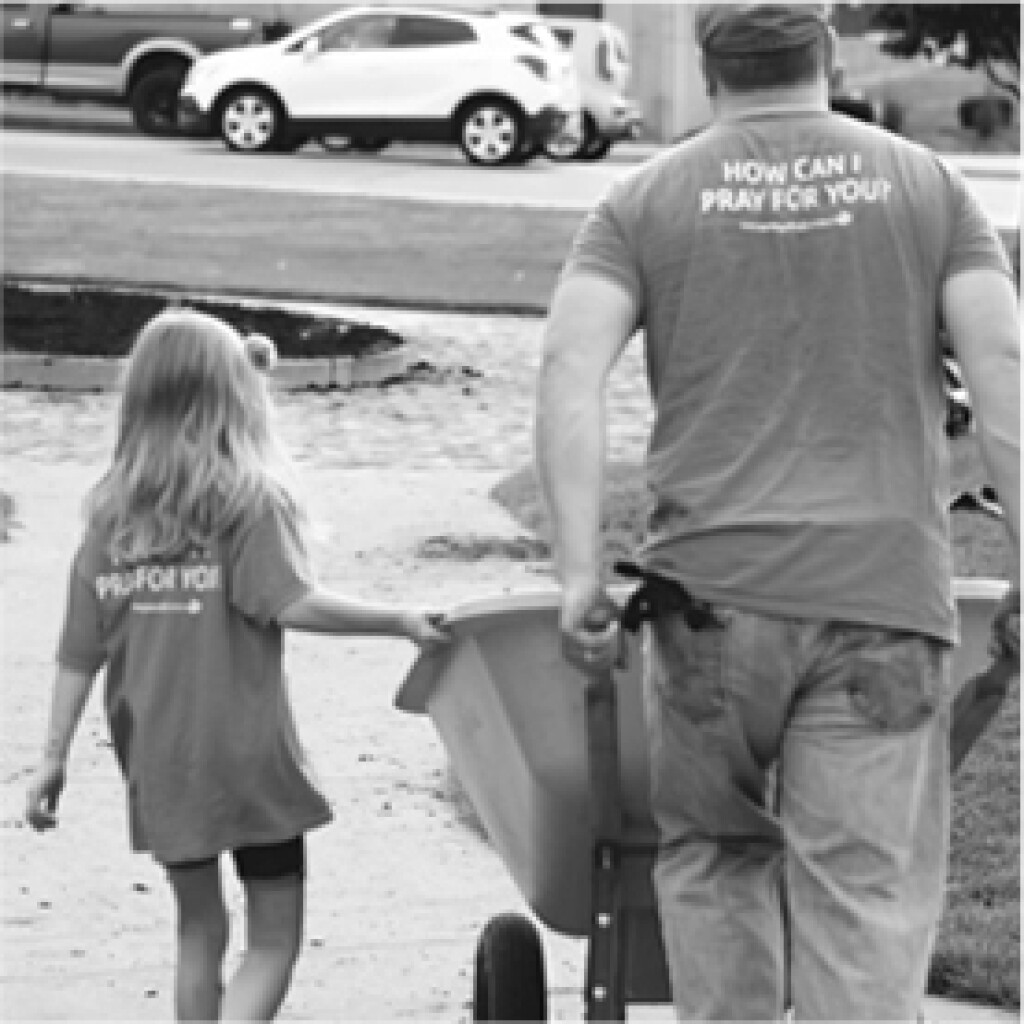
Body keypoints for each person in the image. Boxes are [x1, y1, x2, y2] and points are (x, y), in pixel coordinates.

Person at [534, 5, 1020, 1020]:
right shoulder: (929, 187)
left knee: (715, 859)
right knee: (863, 896)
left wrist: (578, 574)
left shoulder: (640, 200)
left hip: (708, 605)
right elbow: (1003, 371)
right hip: (882, 601)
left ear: (709, 70)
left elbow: (569, 370)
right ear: (827, 57)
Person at [23, 309, 451, 1022]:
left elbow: (78, 650)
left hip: (159, 761)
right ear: (234, 398)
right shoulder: (249, 503)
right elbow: (293, 603)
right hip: (248, 760)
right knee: (273, 940)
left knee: (198, 932)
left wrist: (51, 758)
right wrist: (398, 619)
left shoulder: (110, 519)